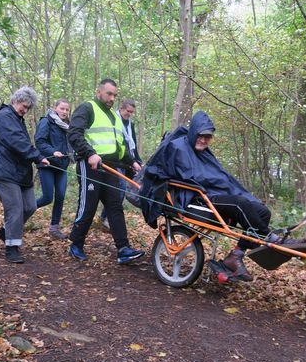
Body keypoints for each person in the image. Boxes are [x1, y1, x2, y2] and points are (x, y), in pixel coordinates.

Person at [140, 110, 278, 282]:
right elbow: (181, 174)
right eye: (201, 135)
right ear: (194, 132)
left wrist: (224, 186)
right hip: (196, 198)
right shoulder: (178, 148)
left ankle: (235, 255)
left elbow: (219, 177)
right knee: (239, 203)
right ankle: (270, 237)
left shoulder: (204, 153)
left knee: (263, 212)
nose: (204, 140)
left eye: (208, 137)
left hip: (214, 194)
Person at [67, 78, 145, 264]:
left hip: (111, 168)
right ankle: (76, 244)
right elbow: (74, 133)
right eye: (109, 93)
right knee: (88, 206)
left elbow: (121, 145)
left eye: (114, 95)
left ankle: (123, 249)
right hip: (91, 165)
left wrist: (132, 162)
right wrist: (90, 153)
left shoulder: (115, 117)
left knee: (115, 207)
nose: (112, 98)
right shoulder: (87, 108)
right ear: (98, 91)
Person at [0, 86, 50, 264]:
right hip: (3, 170)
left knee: (29, 206)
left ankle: (6, 231)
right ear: (15, 100)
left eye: (27, 107)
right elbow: (16, 141)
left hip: (19, 171)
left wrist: (39, 158)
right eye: (23, 105)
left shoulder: (17, 119)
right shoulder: (4, 116)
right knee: (14, 208)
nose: (24, 109)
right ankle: (11, 248)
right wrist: (37, 156)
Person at [99, 99, 142, 230]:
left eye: (132, 112)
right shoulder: (113, 120)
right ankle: (106, 218)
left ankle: (105, 216)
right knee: (120, 189)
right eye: (128, 111)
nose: (129, 114)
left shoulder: (130, 124)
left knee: (122, 192)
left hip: (128, 161)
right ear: (121, 108)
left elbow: (132, 143)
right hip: (116, 161)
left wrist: (137, 160)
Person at [35, 98, 71, 239]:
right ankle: (22, 211)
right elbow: (39, 142)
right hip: (47, 164)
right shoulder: (46, 121)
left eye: (67, 109)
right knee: (47, 197)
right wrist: (52, 152)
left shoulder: (66, 125)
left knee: (61, 196)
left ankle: (54, 228)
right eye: (62, 108)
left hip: (62, 166)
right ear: (55, 108)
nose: (64, 111)